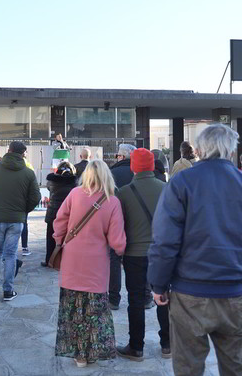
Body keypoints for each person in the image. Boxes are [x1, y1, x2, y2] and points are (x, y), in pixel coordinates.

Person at [148, 124, 242, 376]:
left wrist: (158, 285)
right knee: (235, 367)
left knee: (188, 367)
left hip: (189, 294)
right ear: (232, 150)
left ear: (198, 149)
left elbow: (165, 241)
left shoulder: (180, 183)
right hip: (233, 293)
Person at [53, 160, 126, 368]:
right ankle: (92, 351)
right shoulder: (112, 201)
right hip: (96, 264)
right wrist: (122, 251)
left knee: (73, 308)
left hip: (72, 260)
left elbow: (60, 220)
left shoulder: (75, 194)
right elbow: (117, 241)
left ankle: (79, 355)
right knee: (94, 310)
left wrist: (60, 240)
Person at [115, 148, 170, 361]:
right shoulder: (166, 189)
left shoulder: (124, 192)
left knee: (136, 300)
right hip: (162, 254)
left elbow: (120, 225)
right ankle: (168, 344)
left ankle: (136, 347)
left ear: (133, 167)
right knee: (163, 297)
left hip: (134, 254)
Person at [0, 141, 40, 301]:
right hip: (16, 220)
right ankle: (8, 290)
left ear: (8, 151)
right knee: (11, 254)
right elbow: (36, 197)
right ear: (23, 154)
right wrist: (23, 210)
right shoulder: (28, 173)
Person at [108, 143, 136, 309]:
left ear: (122, 157)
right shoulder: (137, 173)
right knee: (137, 259)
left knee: (114, 258)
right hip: (137, 222)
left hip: (115, 222)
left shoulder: (112, 173)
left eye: (117, 155)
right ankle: (143, 296)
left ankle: (113, 299)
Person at [42, 161, 78, 267]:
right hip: (69, 214)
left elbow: (49, 187)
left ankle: (49, 260)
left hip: (53, 213)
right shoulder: (75, 183)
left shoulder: (52, 182)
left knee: (50, 238)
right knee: (68, 237)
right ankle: (66, 260)